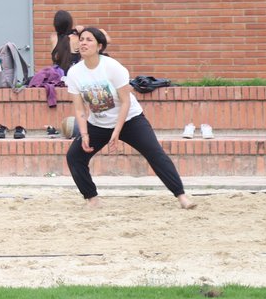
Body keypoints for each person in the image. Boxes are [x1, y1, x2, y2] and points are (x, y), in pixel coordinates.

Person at [64, 27, 196, 210]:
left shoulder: (112, 67)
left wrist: (116, 132)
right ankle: (92, 199)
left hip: (130, 119)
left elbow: (125, 101)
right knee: (75, 156)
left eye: (89, 40)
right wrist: (85, 134)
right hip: (98, 124)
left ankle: (182, 196)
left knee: (154, 153)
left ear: (99, 46)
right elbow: (79, 108)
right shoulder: (75, 73)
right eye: (82, 39)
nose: (84, 43)